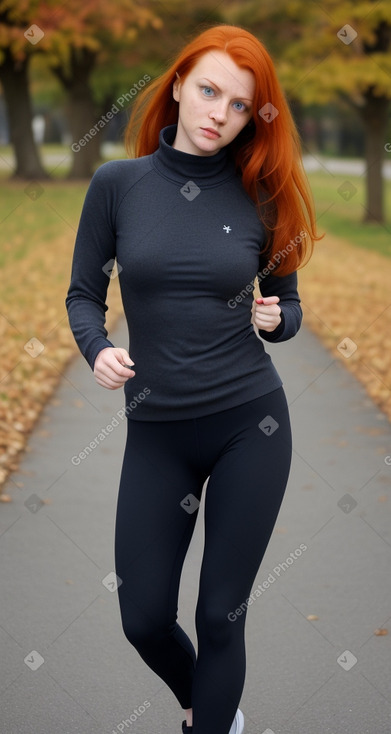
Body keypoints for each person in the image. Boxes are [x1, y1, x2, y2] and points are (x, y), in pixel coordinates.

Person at [65, 23, 320, 734]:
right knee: (143, 616)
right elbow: (83, 293)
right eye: (208, 91)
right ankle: (208, 707)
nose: (218, 113)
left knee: (219, 614)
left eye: (238, 105)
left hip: (249, 424)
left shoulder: (260, 194)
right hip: (156, 435)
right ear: (176, 84)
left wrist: (277, 321)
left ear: (252, 116)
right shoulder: (118, 186)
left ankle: (207, 722)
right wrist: (95, 349)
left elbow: (290, 306)